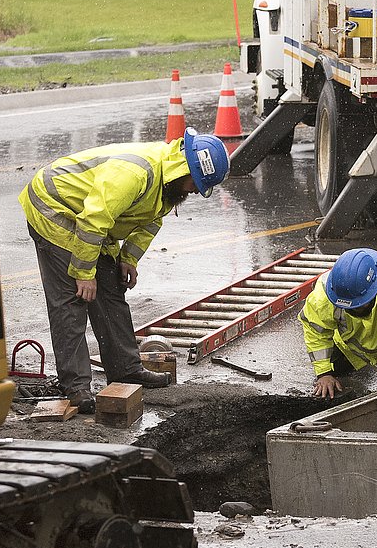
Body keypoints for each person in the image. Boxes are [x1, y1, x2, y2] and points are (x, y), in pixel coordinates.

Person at [19, 128, 229, 413]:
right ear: (185, 168)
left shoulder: (168, 184)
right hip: (54, 208)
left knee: (111, 289)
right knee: (73, 297)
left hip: (88, 220)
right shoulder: (135, 173)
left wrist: (129, 257)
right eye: (196, 183)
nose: (194, 191)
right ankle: (77, 387)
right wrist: (84, 273)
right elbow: (94, 220)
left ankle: (125, 369)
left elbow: (150, 220)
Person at [299, 248, 377, 398]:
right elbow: (316, 331)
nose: (355, 310)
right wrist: (323, 373)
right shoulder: (324, 294)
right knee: (335, 366)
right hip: (349, 345)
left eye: (359, 305)